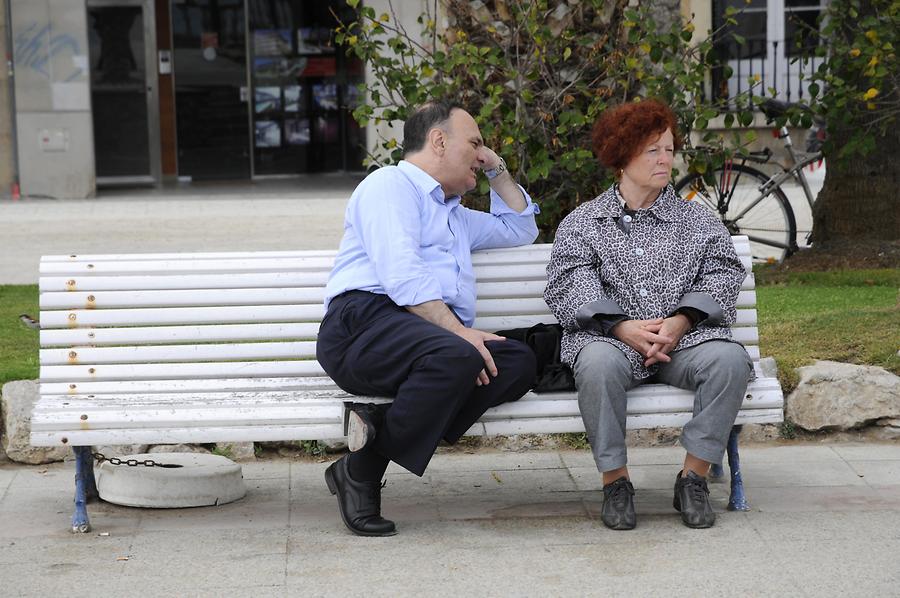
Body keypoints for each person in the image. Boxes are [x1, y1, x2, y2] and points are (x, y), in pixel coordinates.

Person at [317, 101, 540, 536]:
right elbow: (401, 275)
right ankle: (363, 478)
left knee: (517, 362)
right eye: (474, 143)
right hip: (363, 327)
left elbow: (520, 228)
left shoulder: (456, 215)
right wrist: (459, 334)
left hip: (426, 340)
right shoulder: (389, 186)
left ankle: (364, 456)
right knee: (461, 353)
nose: (481, 153)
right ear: (438, 141)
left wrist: (496, 169)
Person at [543, 99, 753, 530]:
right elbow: (568, 282)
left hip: (686, 341)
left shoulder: (696, 219)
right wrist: (621, 327)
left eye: (669, 149)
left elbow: (723, 272)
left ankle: (692, 478)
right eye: (652, 150)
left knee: (730, 361)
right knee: (597, 364)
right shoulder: (585, 222)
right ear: (622, 156)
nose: (665, 159)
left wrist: (680, 322)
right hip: (612, 342)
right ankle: (615, 483)